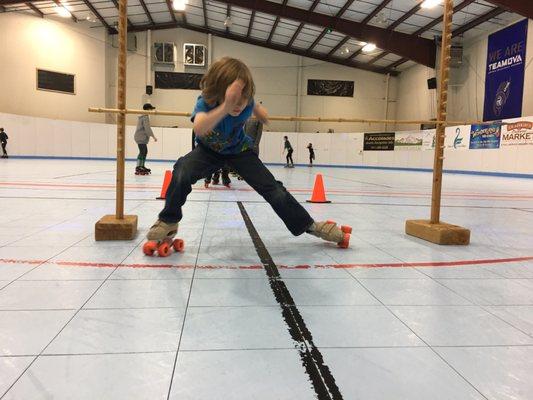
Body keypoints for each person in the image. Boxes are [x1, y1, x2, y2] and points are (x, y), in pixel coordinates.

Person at [145, 57, 350, 250]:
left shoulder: (248, 102)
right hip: (208, 152)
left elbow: (263, 114)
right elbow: (199, 127)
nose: (239, 105)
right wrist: (225, 107)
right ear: (217, 92)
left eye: (243, 100)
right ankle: (169, 220)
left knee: (274, 190)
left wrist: (260, 113)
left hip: (239, 151)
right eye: (232, 100)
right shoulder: (206, 102)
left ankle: (310, 225)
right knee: (181, 171)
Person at [134, 103, 158, 175]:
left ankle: (141, 166)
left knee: (144, 151)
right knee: (143, 151)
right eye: (151, 109)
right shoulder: (145, 117)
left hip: (141, 137)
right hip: (140, 137)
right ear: (148, 109)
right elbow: (147, 128)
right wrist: (153, 136)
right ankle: (138, 166)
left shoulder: (143, 116)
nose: (151, 111)